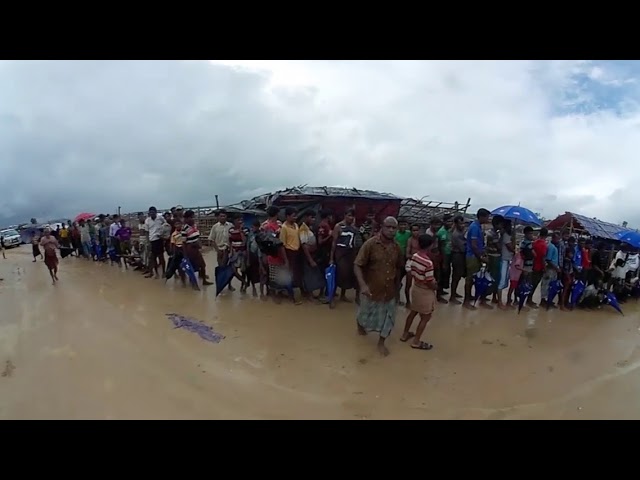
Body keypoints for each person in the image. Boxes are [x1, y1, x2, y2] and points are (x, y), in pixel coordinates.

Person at [354, 217, 405, 357]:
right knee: (364, 315)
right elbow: (357, 265)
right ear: (382, 227)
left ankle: (381, 342)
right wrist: (363, 285)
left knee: (390, 318)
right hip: (371, 289)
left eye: (394, 228)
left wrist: (398, 287)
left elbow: (399, 268)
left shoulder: (397, 247)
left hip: (389, 290)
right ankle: (360, 326)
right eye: (388, 227)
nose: (391, 230)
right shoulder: (370, 244)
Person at [400, 234, 438, 351]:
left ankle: (405, 334)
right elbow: (429, 281)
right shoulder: (428, 262)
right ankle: (416, 341)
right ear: (430, 245)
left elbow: (411, 270)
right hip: (425, 291)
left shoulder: (415, 256)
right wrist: (436, 286)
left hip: (416, 287)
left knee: (413, 312)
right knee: (426, 317)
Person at [330, 208, 360, 308]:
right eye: (349, 215)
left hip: (350, 253)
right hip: (340, 253)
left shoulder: (354, 228)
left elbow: (355, 242)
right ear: (345, 215)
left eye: (353, 216)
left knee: (348, 275)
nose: (351, 218)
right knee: (338, 274)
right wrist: (331, 258)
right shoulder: (338, 226)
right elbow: (334, 243)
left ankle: (343, 295)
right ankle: (332, 298)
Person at [463, 208, 492, 310]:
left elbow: (479, 244)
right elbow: (474, 246)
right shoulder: (475, 227)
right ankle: (466, 302)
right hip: (472, 256)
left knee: (478, 278)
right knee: (470, 279)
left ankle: (478, 298)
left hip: (476, 255)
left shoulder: (478, 226)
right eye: (487, 217)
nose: (488, 219)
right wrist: (481, 257)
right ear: (482, 217)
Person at [181, 209, 213, 289]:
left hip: (196, 248)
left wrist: (200, 245)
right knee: (192, 267)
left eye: (193, 217)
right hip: (190, 249)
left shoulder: (195, 226)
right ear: (187, 218)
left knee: (202, 265)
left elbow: (197, 236)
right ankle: (194, 284)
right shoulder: (184, 229)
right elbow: (184, 243)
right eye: (191, 217)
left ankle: (204, 281)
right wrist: (185, 255)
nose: (193, 219)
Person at [299, 210, 325, 301]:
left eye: (314, 217)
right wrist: (310, 260)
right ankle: (309, 295)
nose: (313, 219)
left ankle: (310, 294)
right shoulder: (303, 229)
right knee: (308, 275)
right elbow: (304, 246)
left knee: (312, 274)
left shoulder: (310, 227)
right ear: (306, 217)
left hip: (313, 254)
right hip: (307, 256)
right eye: (311, 217)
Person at [279, 207, 303, 303]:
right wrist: (286, 260)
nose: (295, 218)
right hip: (289, 253)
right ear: (287, 216)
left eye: (296, 216)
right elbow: (282, 245)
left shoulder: (296, 225)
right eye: (293, 216)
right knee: (290, 276)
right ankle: (292, 297)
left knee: (296, 275)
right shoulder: (284, 228)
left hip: (297, 253)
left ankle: (292, 294)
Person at [209, 209, 233, 288]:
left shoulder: (231, 226)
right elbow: (212, 240)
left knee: (229, 269)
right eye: (221, 216)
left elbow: (233, 239)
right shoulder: (215, 227)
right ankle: (220, 285)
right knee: (221, 268)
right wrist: (217, 250)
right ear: (218, 217)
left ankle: (229, 285)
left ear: (226, 217)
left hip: (229, 250)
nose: (222, 217)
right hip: (220, 250)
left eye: (224, 216)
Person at [485, 215, 504, 306]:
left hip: (491, 256)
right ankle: (485, 297)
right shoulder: (494, 235)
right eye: (501, 224)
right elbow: (499, 247)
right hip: (494, 257)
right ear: (497, 224)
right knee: (494, 278)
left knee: (491, 277)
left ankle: (492, 297)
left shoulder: (491, 232)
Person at [145, 207, 167, 279]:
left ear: (156, 212)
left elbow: (166, 225)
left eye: (153, 212)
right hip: (152, 240)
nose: (152, 213)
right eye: (150, 212)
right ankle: (156, 273)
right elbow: (147, 232)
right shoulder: (147, 220)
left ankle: (164, 272)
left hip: (159, 240)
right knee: (153, 258)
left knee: (161, 257)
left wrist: (163, 234)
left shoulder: (160, 218)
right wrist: (148, 242)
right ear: (149, 213)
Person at [540, 232, 561, 309]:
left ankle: (548, 300)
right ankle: (543, 300)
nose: (558, 240)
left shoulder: (555, 247)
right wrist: (556, 268)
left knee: (551, 285)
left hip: (554, 269)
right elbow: (548, 260)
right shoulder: (551, 247)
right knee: (546, 284)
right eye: (557, 238)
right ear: (553, 238)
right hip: (550, 269)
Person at [449, 215, 466, 304]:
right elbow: (463, 248)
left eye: (463, 223)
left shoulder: (461, 233)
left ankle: (454, 293)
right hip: (457, 255)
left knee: (458, 276)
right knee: (456, 276)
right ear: (456, 224)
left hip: (460, 255)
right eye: (460, 223)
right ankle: (452, 296)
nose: (462, 225)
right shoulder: (456, 234)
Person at [497, 219, 514, 309]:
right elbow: (510, 247)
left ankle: (498, 300)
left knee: (502, 280)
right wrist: (514, 250)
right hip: (504, 259)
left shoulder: (504, 234)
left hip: (505, 259)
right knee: (502, 281)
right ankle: (499, 302)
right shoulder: (506, 235)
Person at [246, 220, 265, 298]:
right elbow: (248, 247)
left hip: (260, 256)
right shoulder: (250, 235)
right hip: (252, 255)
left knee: (261, 274)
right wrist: (247, 259)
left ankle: (262, 292)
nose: (252, 228)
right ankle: (254, 289)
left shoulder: (262, 234)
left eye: (254, 227)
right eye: (252, 227)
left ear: (258, 227)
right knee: (252, 274)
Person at [394, 219, 412, 305]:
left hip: (406, 259)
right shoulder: (395, 234)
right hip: (397, 259)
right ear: (398, 226)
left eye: (404, 225)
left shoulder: (409, 233)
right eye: (401, 225)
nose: (403, 227)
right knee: (397, 279)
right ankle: (396, 298)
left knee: (407, 280)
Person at [404, 223, 421, 309]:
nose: (415, 232)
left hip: (420, 262)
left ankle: (418, 302)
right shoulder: (410, 240)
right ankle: (407, 301)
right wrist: (416, 256)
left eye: (417, 230)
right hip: (411, 262)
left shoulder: (421, 240)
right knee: (408, 283)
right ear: (411, 231)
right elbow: (407, 254)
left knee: (420, 284)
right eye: (413, 230)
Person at [229, 215, 247, 292]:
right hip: (234, 252)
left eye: (241, 220)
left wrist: (240, 230)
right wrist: (230, 251)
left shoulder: (245, 229)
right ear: (234, 221)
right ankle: (244, 282)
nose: (240, 221)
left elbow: (244, 242)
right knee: (233, 271)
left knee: (243, 271)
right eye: (238, 220)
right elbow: (230, 241)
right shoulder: (231, 230)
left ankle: (242, 286)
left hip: (242, 252)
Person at [436, 215, 453, 298]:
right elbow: (441, 247)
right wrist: (443, 261)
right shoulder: (441, 232)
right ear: (444, 222)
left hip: (448, 254)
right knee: (441, 274)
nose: (450, 223)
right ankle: (438, 295)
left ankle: (442, 290)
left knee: (446, 274)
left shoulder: (449, 231)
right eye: (448, 221)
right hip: (443, 256)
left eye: (451, 221)